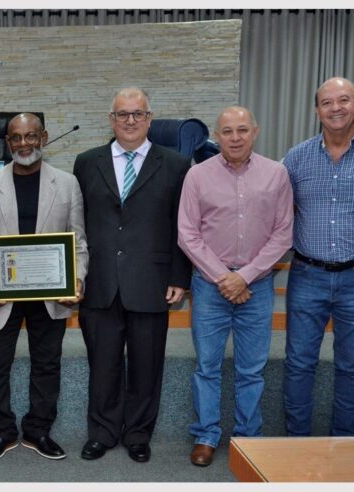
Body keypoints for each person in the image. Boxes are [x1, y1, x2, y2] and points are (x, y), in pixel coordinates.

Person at [73, 87, 191, 463]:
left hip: (152, 281)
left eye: (137, 114)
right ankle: (103, 433)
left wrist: (179, 275)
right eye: (122, 114)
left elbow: (182, 225)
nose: (130, 121)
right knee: (103, 365)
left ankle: (139, 434)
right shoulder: (86, 162)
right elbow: (78, 223)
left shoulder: (174, 164)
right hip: (100, 283)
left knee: (146, 365)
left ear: (150, 118)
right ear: (111, 120)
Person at [0, 113, 88, 462]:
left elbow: (78, 242)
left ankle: (38, 431)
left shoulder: (67, 184)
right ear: (7, 142)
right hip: (0, 295)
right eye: (16, 138)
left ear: (44, 138)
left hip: (51, 293)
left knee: (47, 365)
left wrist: (76, 279)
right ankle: (1, 432)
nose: (24, 144)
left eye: (31, 136)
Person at [178, 106, 294, 466]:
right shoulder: (197, 176)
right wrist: (223, 277)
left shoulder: (277, 175)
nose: (235, 137)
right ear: (217, 135)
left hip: (256, 285)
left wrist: (244, 276)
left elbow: (283, 234)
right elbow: (187, 234)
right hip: (210, 285)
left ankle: (247, 438)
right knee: (207, 367)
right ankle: (207, 435)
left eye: (242, 130)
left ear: (255, 132)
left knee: (251, 370)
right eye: (227, 131)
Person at [283, 76, 354, 437]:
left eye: (343, 100)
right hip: (307, 274)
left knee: (351, 366)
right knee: (298, 364)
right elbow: (277, 210)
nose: (336, 108)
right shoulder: (296, 158)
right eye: (327, 102)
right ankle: (296, 441)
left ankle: (345, 444)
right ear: (317, 111)